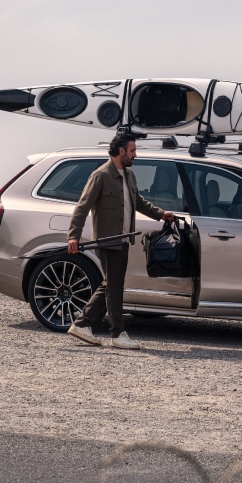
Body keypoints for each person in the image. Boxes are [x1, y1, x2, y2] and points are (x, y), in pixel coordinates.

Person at [66, 131, 175, 350]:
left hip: (123, 240)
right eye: (133, 151)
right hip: (108, 240)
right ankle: (117, 333)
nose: (135, 155)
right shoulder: (101, 175)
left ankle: (83, 323)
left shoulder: (129, 176)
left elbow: (138, 201)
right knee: (114, 286)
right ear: (121, 150)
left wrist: (161, 214)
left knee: (110, 284)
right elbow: (82, 206)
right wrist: (73, 236)